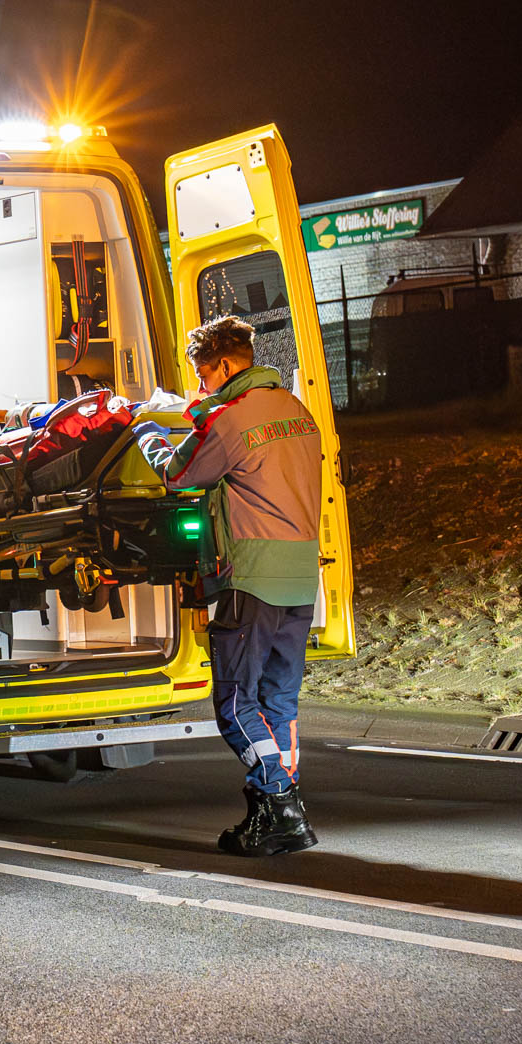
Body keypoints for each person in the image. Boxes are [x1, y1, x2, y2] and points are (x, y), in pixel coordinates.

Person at [137, 316, 323, 857]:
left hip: (252, 576)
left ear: (222, 365)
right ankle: (281, 814)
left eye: (203, 375)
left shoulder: (231, 418)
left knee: (236, 705)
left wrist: (149, 434)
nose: (201, 386)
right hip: (300, 578)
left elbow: (180, 473)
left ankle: (279, 801)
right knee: (279, 700)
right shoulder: (297, 409)